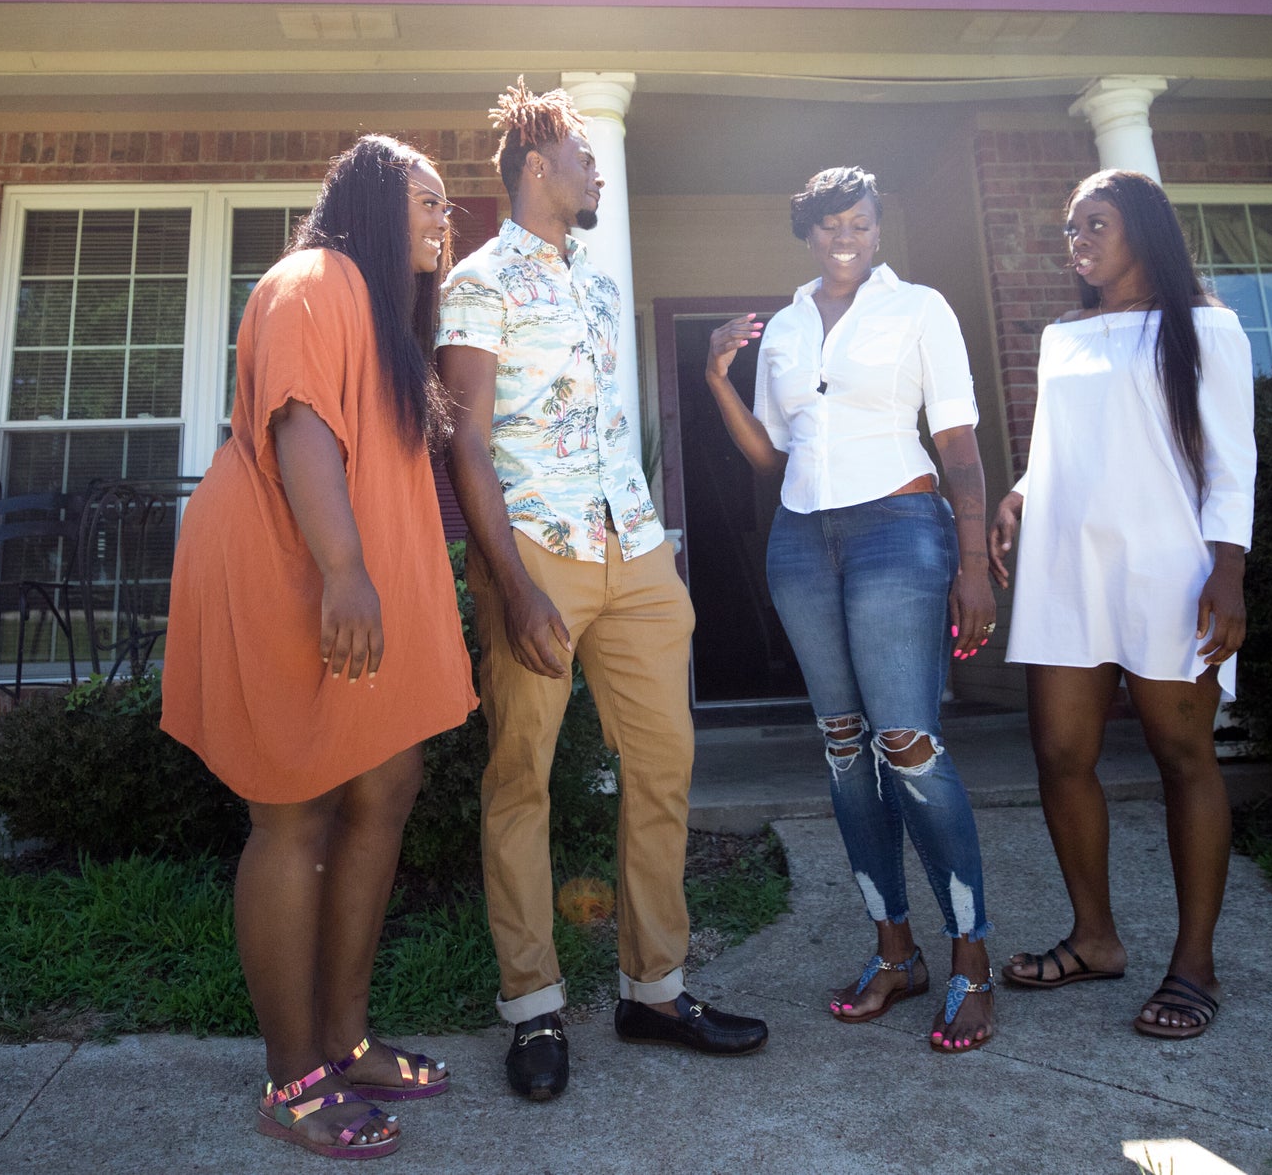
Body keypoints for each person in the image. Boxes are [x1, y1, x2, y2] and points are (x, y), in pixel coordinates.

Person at [437, 79, 770, 1103]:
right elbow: (469, 446)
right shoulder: (479, 281)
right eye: (586, 158)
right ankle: (533, 1009)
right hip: (537, 555)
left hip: (634, 552)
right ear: (537, 166)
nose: (597, 172)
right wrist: (513, 585)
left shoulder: (597, 280)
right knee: (522, 777)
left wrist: (658, 560)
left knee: (664, 764)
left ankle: (654, 989)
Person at [160, 135, 478, 1159]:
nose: (445, 221)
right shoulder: (314, 278)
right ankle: (292, 1077)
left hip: (354, 571)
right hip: (289, 564)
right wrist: (344, 569)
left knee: (387, 783)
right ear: (379, 205)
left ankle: (345, 1041)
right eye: (429, 203)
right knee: (292, 807)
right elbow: (299, 426)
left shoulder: (382, 314)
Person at [700, 166, 1004, 1053]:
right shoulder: (787, 327)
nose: (848, 237)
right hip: (800, 539)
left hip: (901, 528)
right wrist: (718, 375)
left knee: (906, 741)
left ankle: (972, 959)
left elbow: (958, 441)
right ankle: (894, 951)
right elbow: (771, 453)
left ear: (879, 228)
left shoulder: (921, 309)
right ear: (808, 232)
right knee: (842, 743)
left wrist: (974, 559)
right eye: (833, 224)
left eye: (863, 223)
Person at [990, 167, 1255, 1041]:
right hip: (1069, 566)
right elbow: (1062, 446)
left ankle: (1195, 964)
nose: (1077, 238)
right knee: (1060, 750)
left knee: (1184, 753)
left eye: (1093, 222)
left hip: (1169, 568)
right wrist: (1021, 491)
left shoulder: (1207, 328)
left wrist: (1229, 570)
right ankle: (1095, 938)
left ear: (1143, 228)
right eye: (1070, 226)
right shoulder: (1064, 335)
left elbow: (1229, 460)